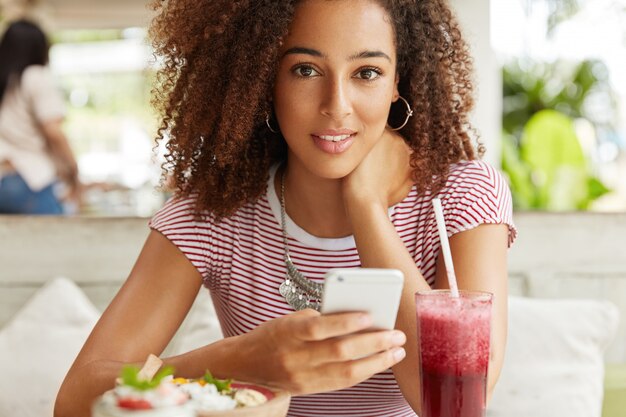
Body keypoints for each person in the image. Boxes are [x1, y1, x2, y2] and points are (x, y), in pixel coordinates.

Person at [55, 0, 516, 416]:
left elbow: (453, 407)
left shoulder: (462, 195)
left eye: (367, 73)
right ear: (264, 79)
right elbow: (75, 400)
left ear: (399, 81)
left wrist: (366, 206)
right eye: (305, 70)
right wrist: (235, 361)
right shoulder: (212, 214)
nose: (336, 106)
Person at [0, 20, 80, 214]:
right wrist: (74, 170)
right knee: (56, 239)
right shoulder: (36, 75)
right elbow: (52, 130)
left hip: (4, 177)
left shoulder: (5, 81)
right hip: (29, 179)